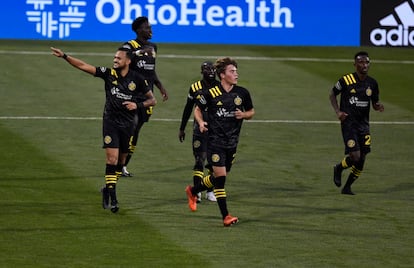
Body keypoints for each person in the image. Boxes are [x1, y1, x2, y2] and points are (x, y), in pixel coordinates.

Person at [50, 46, 156, 212]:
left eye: (118, 58)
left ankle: (107, 188)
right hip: (110, 123)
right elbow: (83, 66)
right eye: (114, 57)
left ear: (128, 61)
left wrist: (137, 104)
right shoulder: (108, 74)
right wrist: (64, 56)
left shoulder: (138, 79)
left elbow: (152, 100)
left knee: (120, 165)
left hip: (128, 125)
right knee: (111, 160)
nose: (115, 60)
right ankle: (113, 198)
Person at [185, 57, 255, 226]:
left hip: (232, 143)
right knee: (221, 178)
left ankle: (193, 190)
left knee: (218, 177)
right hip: (215, 141)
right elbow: (197, 110)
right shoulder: (210, 93)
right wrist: (201, 123)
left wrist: (244, 115)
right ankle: (226, 216)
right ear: (222, 75)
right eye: (232, 71)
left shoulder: (242, 93)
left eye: (236, 71)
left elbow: (251, 111)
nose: (236, 74)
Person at [119, 16, 168, 177]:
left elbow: (151, 70)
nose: (150, 30)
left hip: (147, 96)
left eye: (150, 27)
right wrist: (140, 52)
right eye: (147, 28)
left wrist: (160, 87)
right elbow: (122, 59)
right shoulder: (129, 45)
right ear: (139, 30)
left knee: (137, 131)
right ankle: (118, 163)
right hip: (131, 94)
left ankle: (124, 165)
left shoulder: (153, 47)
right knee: (130, 128)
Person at [329, 51, 384, 195]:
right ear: (355, 65)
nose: (364, 65)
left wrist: (377, 106)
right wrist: (338, 112)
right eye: (361, 62)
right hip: (349, 124)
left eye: (366, 62)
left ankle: (347, 187)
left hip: (364, 125)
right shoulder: (346, 80)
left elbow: (374, 102)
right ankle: (339, 168)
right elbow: (332, 94)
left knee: (362, 158)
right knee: (355, 156)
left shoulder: (372, 83)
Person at [179, 61, 220, 203]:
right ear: (202, 71)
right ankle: (197, 192)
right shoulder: (195, 87)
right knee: (199, 159)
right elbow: (188, 108)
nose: (211, 71)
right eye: (207, 69)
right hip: (199, 128)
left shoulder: (220, 87)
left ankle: (210, 191)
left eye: (213, 69)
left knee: (214, 161)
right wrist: (182, 128)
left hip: (216, 129)